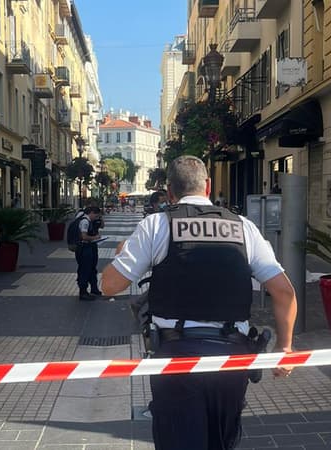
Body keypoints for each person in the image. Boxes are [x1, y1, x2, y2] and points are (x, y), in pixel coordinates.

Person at [101, 156, 297, 449]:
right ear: (207, 186)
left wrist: (124, 250)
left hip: (176, 358)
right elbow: (284, 292)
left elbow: (109, 286)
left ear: (169, 192)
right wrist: (285, 348)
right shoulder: (243, 226)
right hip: (233, 359)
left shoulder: (157, 225)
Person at [75, 206, 102, 301]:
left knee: (91, 268)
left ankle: (93, 288)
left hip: (88, 247)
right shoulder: (85, 221)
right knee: (85, 269)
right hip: (84, 248)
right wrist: (95, 237)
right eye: (96, 215)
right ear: (91, 213)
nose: (96, 218)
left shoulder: (87, 221)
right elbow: (83, 237)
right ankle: (83, 292)